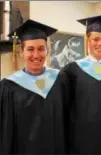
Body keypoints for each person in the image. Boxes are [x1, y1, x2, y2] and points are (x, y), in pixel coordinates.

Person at [0, 19, 71, 154]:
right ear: (21, 52)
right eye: (30, 49)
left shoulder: (60, 80)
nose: (36, 55)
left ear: (47, 51)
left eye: (41, 49)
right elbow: (5, 131)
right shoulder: (9, 86)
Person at [62, 14, 101, 154]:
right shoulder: (72, 70)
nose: (100, 43)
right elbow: (64, 109)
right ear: (87, 40)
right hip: (80, 141)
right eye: (95, 39)